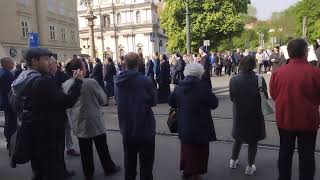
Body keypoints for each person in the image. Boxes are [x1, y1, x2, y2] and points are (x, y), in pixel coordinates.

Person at [11, 48, 83, 180]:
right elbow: (67, 101)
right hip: (49, 132)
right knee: (51, 169)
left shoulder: (24, 77)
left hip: (35, 129)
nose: (49, 63)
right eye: (45, 59)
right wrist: (78, 82)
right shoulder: (42, 81)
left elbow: (16, 104)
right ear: (34, 61)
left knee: (39, 167)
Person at [270, 38, 320, 180]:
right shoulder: (315, 72)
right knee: (307, 155)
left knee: (285, 153)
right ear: (305, 52)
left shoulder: (278, 72)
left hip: (285, 119)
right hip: (308, 120)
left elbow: (274, 94)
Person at [63, 58, 120, 180]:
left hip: (78, 122)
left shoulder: (65, 84)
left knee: (85, 151)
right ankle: (109, 168)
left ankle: (88, 174)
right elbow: (103, 100)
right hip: (94, 121)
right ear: (80, 70)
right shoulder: (90, 82)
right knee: (102, 147)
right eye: (83, 66)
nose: (86, 68)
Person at [169, 62, 218, 180]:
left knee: (187, 149)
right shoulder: (204, 86)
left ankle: (187, 171)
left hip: (184, 124)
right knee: (200, 150)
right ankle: (196, 173)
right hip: (201, 125)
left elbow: (171, 102)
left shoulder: (178, 87)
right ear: (200, 73)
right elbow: (214, 104)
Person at [114, 52, 158, 180]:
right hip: (145, 129)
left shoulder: (117, 81)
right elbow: (154, 101)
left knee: (129, 165)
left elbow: (117, 99)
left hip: (127, 128)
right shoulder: (145, 80)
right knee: (146, 167)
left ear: (125, 64)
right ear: (139, 64)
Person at [229, 55, 267, 175]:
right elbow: (265, 97)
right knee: (253, 141)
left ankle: (233, 160)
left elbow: (231, 98)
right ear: (254, 65)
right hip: (255, 114)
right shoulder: (260, 79)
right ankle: (250, 166)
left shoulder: (233, 80)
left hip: (239, 113)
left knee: (238, 137)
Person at [0, 57, 16, 149]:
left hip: (5, 100)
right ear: (6, 64)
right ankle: (10, 141)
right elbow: (11, 90)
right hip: (9, 101)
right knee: (11, 122)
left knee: (8, 121)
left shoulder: (2, 72)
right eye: (11, 62)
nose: (13, 64)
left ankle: (8, 138)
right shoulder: (7, 74)